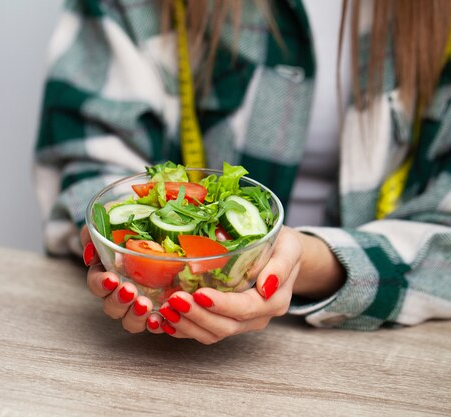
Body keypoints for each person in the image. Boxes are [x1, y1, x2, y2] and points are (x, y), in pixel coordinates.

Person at [34, 0, 451, 344]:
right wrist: (128, 251)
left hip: (372, 338)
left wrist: (310, 262)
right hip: (150, 335)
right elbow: (85, 150)